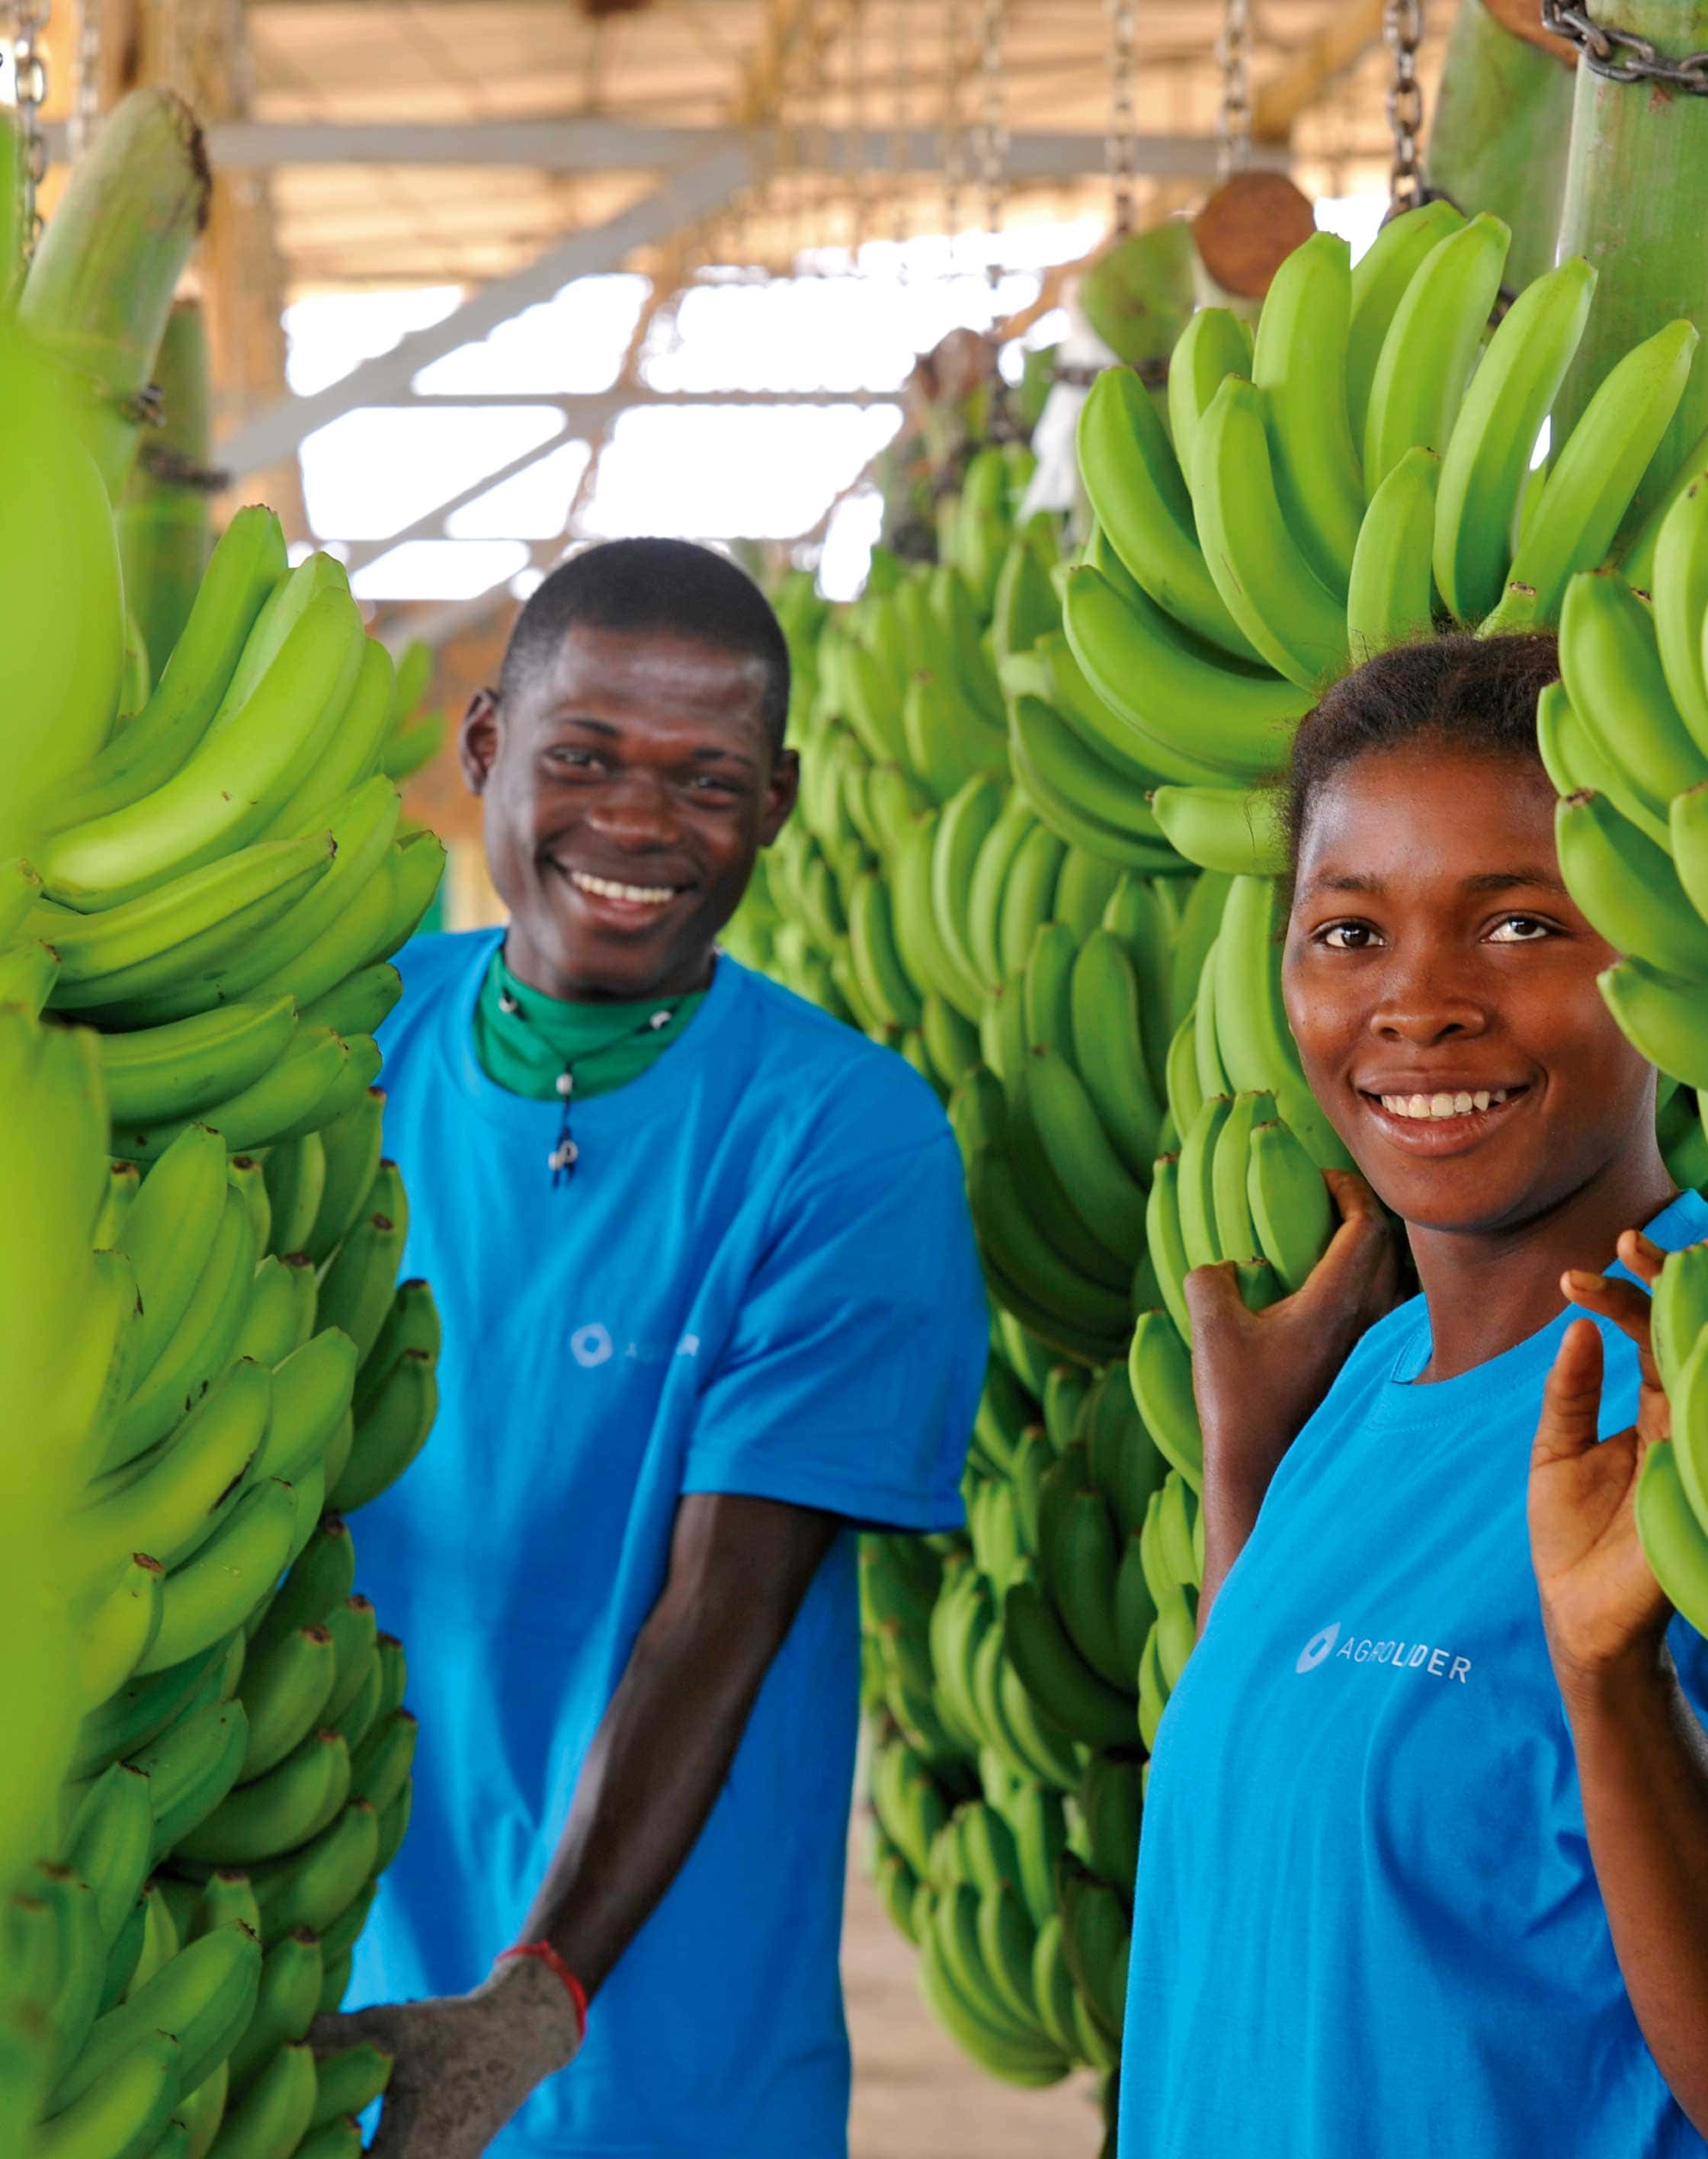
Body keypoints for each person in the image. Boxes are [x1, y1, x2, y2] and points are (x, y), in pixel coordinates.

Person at [316, 539, 990, 2158]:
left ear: (776, 803)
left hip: (652, 2045)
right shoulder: (335, 1048)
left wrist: (535, 1999)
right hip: (304, 1993)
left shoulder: (842, 1141)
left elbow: (718, 1613)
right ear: (485, 745)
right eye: (585, 758)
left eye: (706, 782)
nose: (636, 824)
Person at [1120, 632, 1708, 2157]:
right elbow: (1283, 1873)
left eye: (1521, 925)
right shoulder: (1365, 1381)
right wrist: (1248, 1476)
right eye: (1348, 932)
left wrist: (1612, 1679)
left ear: (1668, 949)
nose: (1417, 1004)